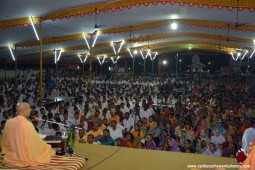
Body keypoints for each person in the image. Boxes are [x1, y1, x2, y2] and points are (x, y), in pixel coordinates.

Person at [2, 102, 54, 167]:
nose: (30, 110)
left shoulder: (8, 122)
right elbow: (35, 142)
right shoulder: (27, 124)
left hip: (11, 156)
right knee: (47, 149)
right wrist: (46, 147)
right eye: (29, 108)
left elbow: (5, 142)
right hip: (24, 157)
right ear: (25, 110)